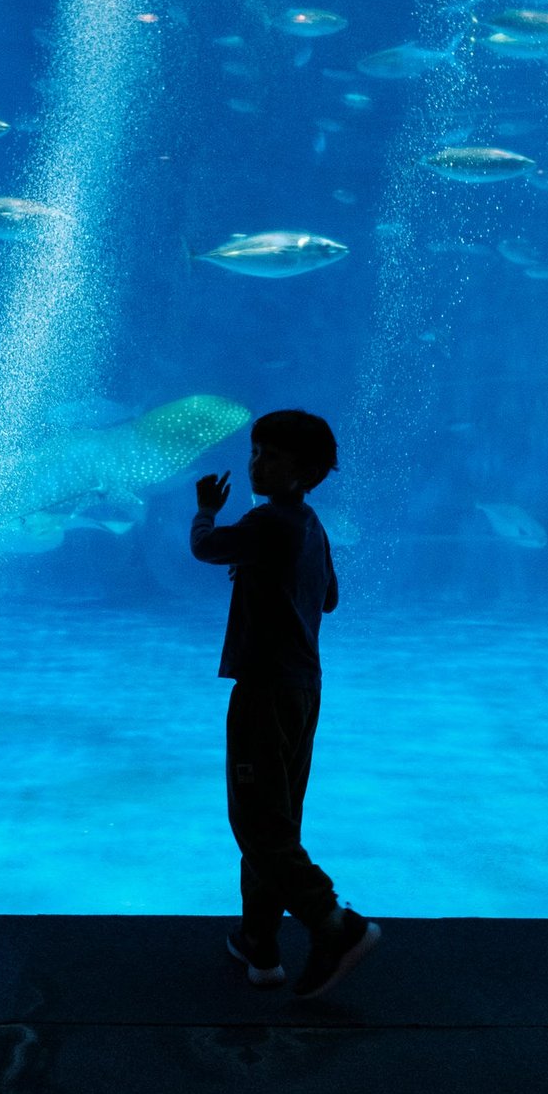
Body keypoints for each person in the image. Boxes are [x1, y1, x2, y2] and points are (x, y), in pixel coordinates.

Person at [191, 408, 381, 1001]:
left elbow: (206, 548)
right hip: (303, 689)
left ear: (304, 471)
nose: (256, 463)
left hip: (265, 690)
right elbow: (328, 598)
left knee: (255, 820)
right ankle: (258, 941)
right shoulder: (310, 525)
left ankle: (334, 925)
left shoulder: (268, 521)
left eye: (271, 456)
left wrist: (205, 510)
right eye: (255, 451)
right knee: (274, 817)